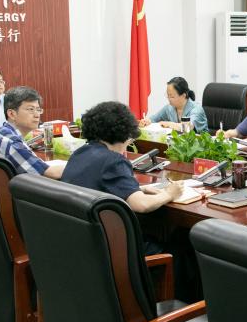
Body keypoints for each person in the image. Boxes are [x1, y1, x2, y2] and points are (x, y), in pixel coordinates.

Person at [64, 101, 197, 299]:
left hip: (83, 243)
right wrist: (170, 193)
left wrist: (137, 189)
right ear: (124, 133)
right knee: (183, 243)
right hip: (113, 250)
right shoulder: (113, 160)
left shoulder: (80, 153)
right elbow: (141, 205)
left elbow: (97, 184)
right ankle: (180, 304)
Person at [0, 86, 64, 179]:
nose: (37, 115)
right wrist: (75, 166)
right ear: (11, 114)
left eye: (38, 109)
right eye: (31, 109)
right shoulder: (12, 142)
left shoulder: (1, 132)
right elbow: (50, 173)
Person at [138, 76, 207, 133]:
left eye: (172, 96)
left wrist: (169, 124)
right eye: (167, 95)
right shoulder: (169, 108)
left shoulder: (196, 109)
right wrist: (146, 122)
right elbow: (153, 119)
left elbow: (188, 128)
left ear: (183, 95)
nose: (169, 99)